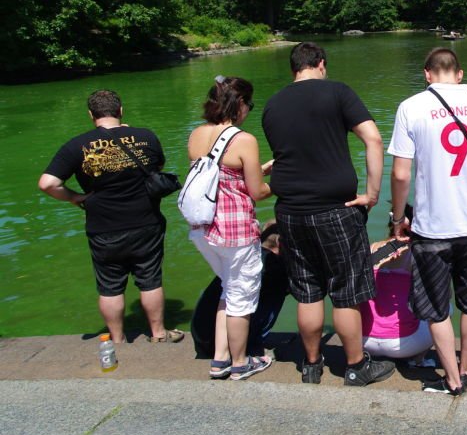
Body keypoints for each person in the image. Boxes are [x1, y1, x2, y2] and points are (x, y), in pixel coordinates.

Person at [262, 42, 395, 386]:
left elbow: (289, 154)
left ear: (294, 68)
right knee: (346, 291)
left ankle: (311, 364)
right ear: (321, 64)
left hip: (290, 212)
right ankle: (355, 366)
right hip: (336, 209)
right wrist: (372, 193)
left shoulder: (273, 104)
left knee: (306, 291)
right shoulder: (337, 92)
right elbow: (373, 140)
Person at [388, 47, 467, 395]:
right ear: (460, 74)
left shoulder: (410, 107)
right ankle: (466, 365)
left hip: (430, 229)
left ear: (427, 74)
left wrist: (398, 218)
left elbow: (400, 174)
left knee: (435, 306)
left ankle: (451, 379)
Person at [38, 90, 183, 344]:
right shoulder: (145, 136)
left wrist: (74, 197)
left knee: (110, 286)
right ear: (120, 111)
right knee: (150, 280)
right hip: (146, 222)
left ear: (91, 115)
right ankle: (159, 334)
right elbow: (157, 168)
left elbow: (47, 184)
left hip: (103, 226)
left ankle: (117, 339)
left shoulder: (76, 145)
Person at [186, 76, 274, 381]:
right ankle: (240, 363)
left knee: (228, 288)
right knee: (242, 298)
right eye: (248, 104)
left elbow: (218, 176)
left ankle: (219, 359)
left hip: (203, 229)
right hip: (234, 231)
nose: (249, 110)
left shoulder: (197, 134)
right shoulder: (244, 139)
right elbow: (257, 192)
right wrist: (275, 183)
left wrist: (256, 173)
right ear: (239, 104)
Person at [191, 221, 290, 363]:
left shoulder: (240, 259)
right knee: (279, 287)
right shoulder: (272, 265)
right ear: (280, 244)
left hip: (201, 338)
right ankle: (251, 346)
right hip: (220, 346)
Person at [360, 214, 434, 362]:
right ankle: (418, 361)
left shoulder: (372, 248)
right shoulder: (417, 254)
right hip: (403, 345)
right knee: (444, 310)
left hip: (363, 341)